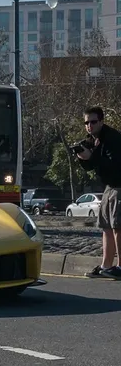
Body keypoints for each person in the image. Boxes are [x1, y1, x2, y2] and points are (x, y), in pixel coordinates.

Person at [75, 106, 121, 280]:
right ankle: (105, 266)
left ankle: (120, 266)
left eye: (93, 122)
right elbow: (91, 166)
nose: (89, 126)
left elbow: (115, 165)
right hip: (109, 187)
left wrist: (92, 157)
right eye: (86, 122)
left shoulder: (113, 138)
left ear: (101, 121)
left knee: (118, 227)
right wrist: (82, 157)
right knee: (106, 226)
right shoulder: (92, 139)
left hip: (119, 186)